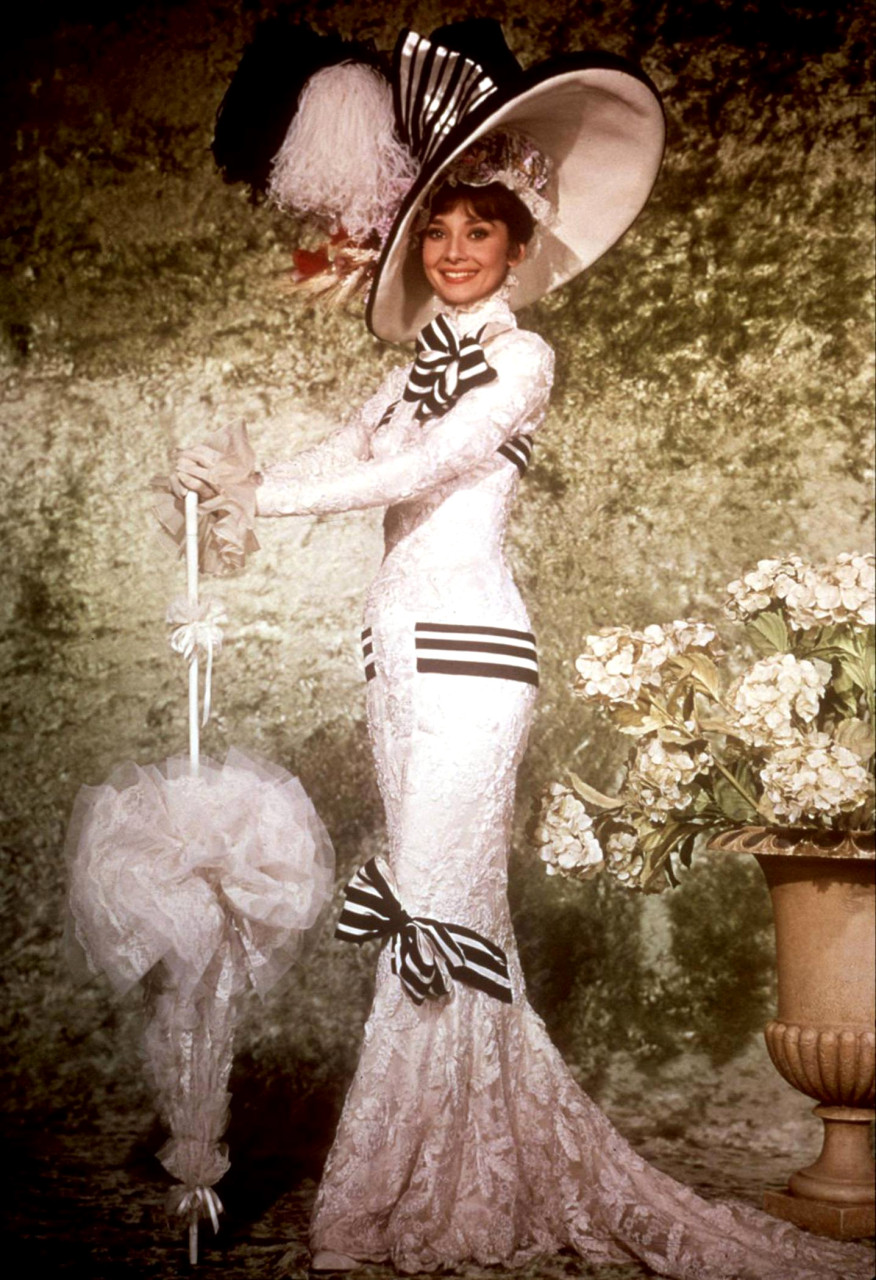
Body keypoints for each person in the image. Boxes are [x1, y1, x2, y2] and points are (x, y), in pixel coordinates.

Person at [172, 21, 874, 1280]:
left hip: (476, 664)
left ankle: (414, 1183)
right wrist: (233, 483)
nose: (453, 252)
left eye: (478, 233)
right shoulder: (419, 362)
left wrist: (264, 497)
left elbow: (422, 467)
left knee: (438, 904)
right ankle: (455, 1159)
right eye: (436, 232)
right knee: (430, 904)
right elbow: (349, 453)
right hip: (396, 659)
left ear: (516, 245)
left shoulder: (520, 358)